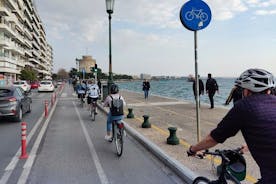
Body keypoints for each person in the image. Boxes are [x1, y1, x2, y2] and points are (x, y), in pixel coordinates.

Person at [187, 68, 276, 183]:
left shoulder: (244, 106)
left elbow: (213, 138)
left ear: (247, 91)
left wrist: (192, 149)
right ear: (268, 90)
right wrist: (248, 146)